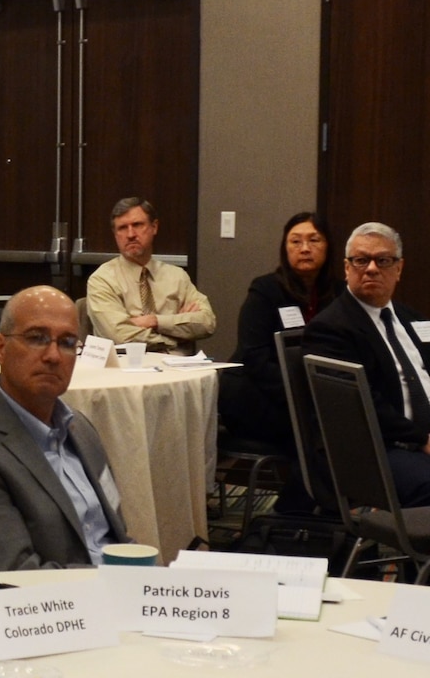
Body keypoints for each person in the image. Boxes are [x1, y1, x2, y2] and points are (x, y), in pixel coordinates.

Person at [0, 286, 132, 570]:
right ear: (0, 348)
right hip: (52, 607)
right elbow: (13, 576)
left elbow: (116, 541)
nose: (54, 355)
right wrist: (110, 583)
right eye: (37, 338)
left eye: (68, 342)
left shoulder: (81, 429)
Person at [302, 222, 430, 508]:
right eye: (361, 260)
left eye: (383, 260)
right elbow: (359, 404)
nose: (371, 268)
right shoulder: (330, 329)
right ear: (347, 268)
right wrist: (423, 439)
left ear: (398, 269)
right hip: (375, 449)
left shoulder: (412, 319)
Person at [224, 212, 343, 453]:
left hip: (313, 397)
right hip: (258, 395)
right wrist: (303, 391)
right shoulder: (265, 290)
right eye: (296, 241)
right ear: (285, 248)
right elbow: (254, 358)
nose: (305, 248)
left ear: (328, 247)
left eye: (314, 240)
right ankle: (308, 489)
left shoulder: (340, 293)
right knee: (322, 432)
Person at [84, 197, 217, 352]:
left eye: (137, 225)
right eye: (122, 228)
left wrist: (155, 321)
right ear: (115, 235)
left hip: (176, 370)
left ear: (154, 227)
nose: (130, 234)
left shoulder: (177, 276)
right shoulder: (102, 279)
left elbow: (207, 322)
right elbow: (120, 337)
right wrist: (174, 336)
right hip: (125, 369)